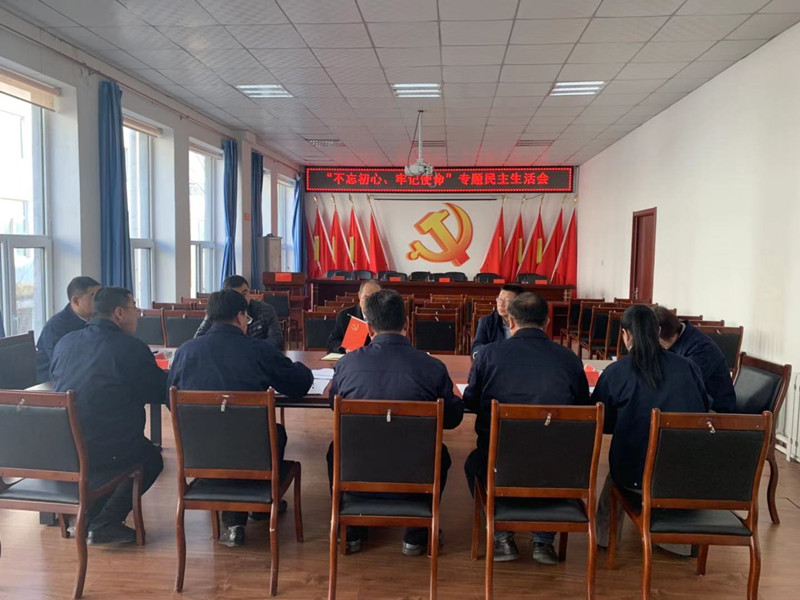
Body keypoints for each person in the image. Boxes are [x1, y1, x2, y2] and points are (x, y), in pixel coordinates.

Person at [169, 289, 313, 547]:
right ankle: (259, 504)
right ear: (240, 316)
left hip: (200, 456)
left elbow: (171, 400)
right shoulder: (258, 350)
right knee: (276, 433)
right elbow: (298, 385)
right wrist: (302, 367)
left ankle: (235, 521)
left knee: (229, 437)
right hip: (251, 457)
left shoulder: (185, 352)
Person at [328, 289, 464, 556]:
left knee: (336, 450)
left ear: (369, 328)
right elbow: (452, 419)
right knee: (442, 454)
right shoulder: (432, 367)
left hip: (360, 471)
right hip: (415, 473)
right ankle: (417, 534)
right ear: (407, 324)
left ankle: (352, 530)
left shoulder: (346, 365)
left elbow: (334, 405)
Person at [463, 292, 591, 564]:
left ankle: (502, 536)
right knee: (550, 459)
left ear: (510, 321)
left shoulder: (488, 355)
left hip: (499, 462)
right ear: (547, 322)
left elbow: (471, 401)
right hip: (557, 466)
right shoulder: (569, 359)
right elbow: (583, 408)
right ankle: (543, 540)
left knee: (474, 465)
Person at [50, 287, 165, 545]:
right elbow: (158, 391)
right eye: (135, 308)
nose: (138, 314)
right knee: (151, 458)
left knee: (109, 445)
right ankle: (105, 522)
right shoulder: (131, 348)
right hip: (108, 449)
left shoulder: (65, 343)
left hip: (64, 449)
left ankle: (88, 515)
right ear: (119, 313)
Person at [592, 305, 708, 549]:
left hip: (634, 476)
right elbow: (703, 408)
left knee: (618, 472)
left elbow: (602, 423)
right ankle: (677, 543)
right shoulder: (687, 367)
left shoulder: (616, 372)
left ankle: (604, 539)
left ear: (625, 334)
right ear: (657, 331)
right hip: (684, 472)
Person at [654, 306, 736, 412]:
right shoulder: (678, 339)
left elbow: (683, 386)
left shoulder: (702, 348)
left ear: (659, 332)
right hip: (693, 403)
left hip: (715, 411)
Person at [35, 276, 101, 383]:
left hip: (84, 375)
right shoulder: (56, 326)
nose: (99, 301)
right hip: (53, 381)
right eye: (94, 296)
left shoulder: (98, 319)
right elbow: (61, 363)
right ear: (76, 301)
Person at [195, 275, 283, 350]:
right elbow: (198, 339)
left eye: (245, 293)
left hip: (258, 357)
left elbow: (276, 341)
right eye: (236, 295)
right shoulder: (218, 312)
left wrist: (247, 349)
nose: (242, 298)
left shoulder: (265, 310)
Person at [326, 279, 381, 354]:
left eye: (374, 298)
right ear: (359, 296)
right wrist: (345, 349)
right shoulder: (345, 316)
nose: (370, 302)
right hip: (353, 357)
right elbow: (332, 343)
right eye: (366, 297)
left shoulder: (386, 315)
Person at [471, 283, 525, 358]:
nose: (501, 304)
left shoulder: (526, 322)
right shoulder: (487, 321)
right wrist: (484, 354)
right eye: (500, 299)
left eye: (507, 301)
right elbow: (477, 346)